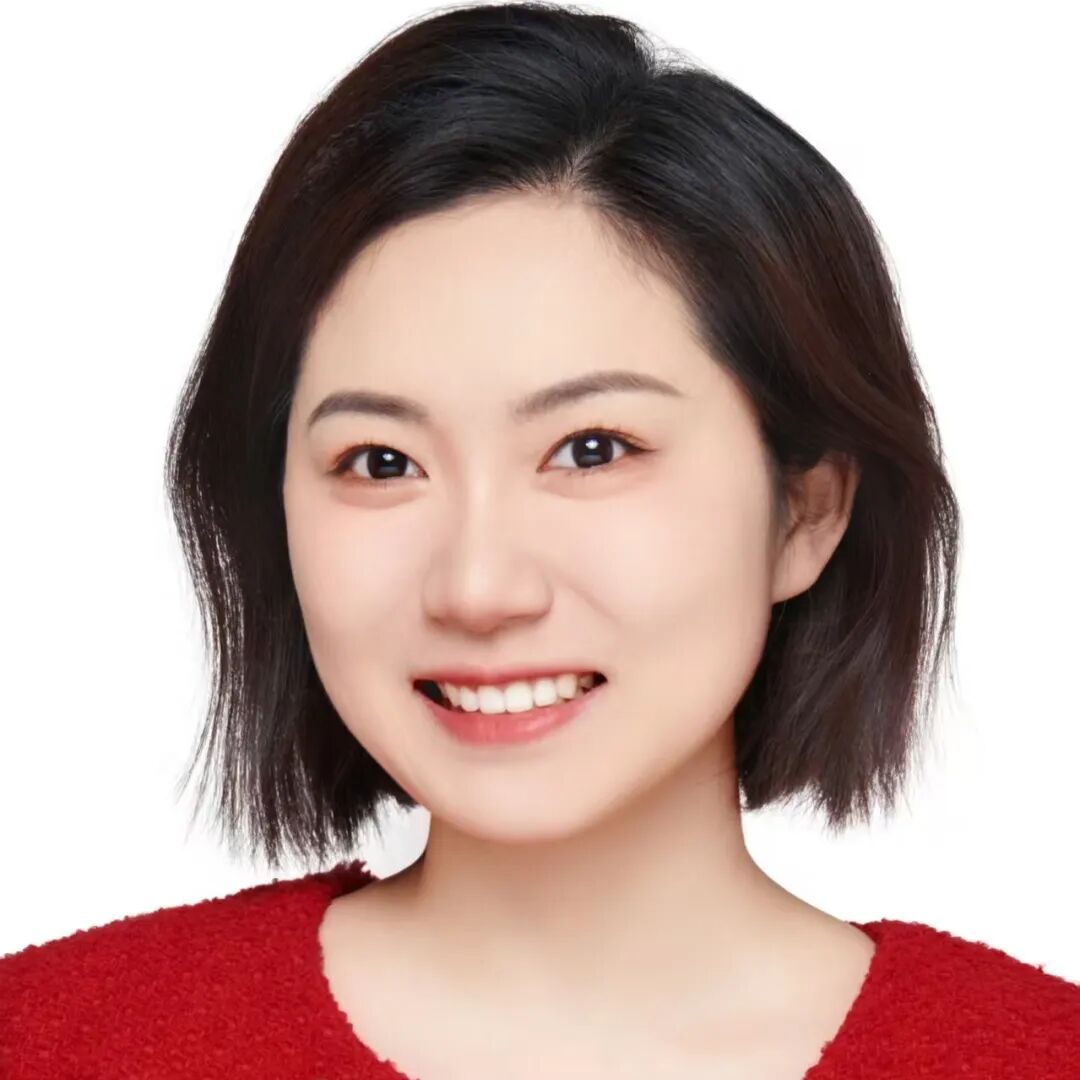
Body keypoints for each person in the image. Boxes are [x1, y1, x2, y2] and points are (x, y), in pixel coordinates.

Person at [3, 3, 1077, 1077]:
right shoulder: (54, 1042)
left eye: (593, 449)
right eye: (380, 462)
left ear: (805, 512)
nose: (478, 587)